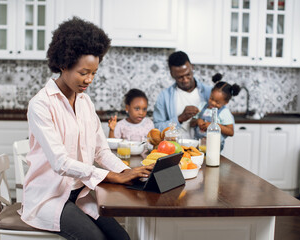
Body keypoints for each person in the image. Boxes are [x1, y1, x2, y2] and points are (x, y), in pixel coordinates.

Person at [19, 17, 153, 240]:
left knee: (123, 238)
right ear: (63, 64)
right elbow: (60, 162)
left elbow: (100, 151)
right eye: (83, 72)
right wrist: (111, 176)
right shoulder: (41, 104)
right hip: (49, 197)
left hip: (78, 193)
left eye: (94, 73)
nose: (89, 80)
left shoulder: (84, 102)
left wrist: (125, 172)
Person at [153, 51, 212, 139]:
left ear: (192, 67)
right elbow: (157, 129)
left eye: (188, 74)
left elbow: (223, 124)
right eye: (180, 77)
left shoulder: (209, 93)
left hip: (204, 149)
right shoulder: (164, 97)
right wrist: (180, 118)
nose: (185, 80)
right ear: (172, 74)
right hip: (175, 150)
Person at [190, 73, 240, 151]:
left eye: (217, 102)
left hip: (214, 147)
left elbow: (231, 132)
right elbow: (191, 123)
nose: (213, 103)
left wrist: (213, 125)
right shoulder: (202, 106)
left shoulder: (224, 113)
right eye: (211, 98)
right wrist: (197, 121)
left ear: (226, 102)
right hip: (198, 144)